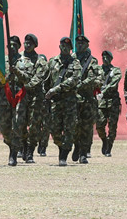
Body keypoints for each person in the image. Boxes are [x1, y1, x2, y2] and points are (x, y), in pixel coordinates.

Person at [45, 37, 83, 166]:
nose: (65, 48)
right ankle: (63, 147)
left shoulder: (75, 63)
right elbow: (46, 80)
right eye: (62, 46)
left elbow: (74, 80)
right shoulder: (52, 62)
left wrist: (57, 89)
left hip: (69, 101)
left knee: (69, 129)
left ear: (71, 48)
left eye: (67, 46)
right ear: (59, 47)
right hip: (55, 102)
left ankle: (63, 156)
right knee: (54, 130)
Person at [0, 36, 28, 166]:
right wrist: (7, 76)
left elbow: (28, 79)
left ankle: (14, 153)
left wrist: (18, 72)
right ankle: (11, 145)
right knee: (4, 127)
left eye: (15, 45)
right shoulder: (0, 62)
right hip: (5, 99)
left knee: (17, 126)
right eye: (9, 46)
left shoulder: (25, 61)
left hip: (20, 99)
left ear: (19, 46)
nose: (12, 47)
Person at [20, 34, 49, 161]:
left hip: (35, 97)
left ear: (35, 45)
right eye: (26, 42)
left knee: (34, 125)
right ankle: (22, 147)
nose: (27, 45)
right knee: (20, 123)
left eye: (30, 43)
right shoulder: (17, 58)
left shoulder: (40, 61)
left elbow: (39, 77)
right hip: (20, 96)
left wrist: (27, 85)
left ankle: (30, 150)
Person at [72, 35, 100, 164]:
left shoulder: (92, 61)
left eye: (82, 44)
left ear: (87, 45)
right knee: (74, 125)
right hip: (73, 99)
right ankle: (76, 146)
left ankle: (83, 152)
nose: (80, 45)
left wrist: (79, 84)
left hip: (87, 99)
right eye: (78, 43)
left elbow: (92, 78)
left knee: (87, 127)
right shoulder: (71, 59)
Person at [96, 50, 121, 157]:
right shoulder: (98, 70)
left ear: (111, 59)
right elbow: (95, 81)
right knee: (99, 125)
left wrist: (103, 91)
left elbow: (113, 84)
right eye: (103, 57)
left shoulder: (116, 70)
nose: (105, 59)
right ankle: (104, 141)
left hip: (113, 102)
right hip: (101, 102)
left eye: (107, 57)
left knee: (112, 126)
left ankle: (109, 147)